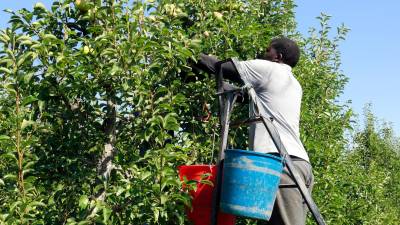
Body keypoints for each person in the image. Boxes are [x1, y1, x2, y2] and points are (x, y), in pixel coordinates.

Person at [191, 37, 314, 225]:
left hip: (281, 164)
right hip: (299, 165)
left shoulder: (270, 69)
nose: (263, 54)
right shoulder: (291, 83)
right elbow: (240, 96)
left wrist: (185, 51)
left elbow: (222, 67)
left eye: (267, 50)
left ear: (277, 56)